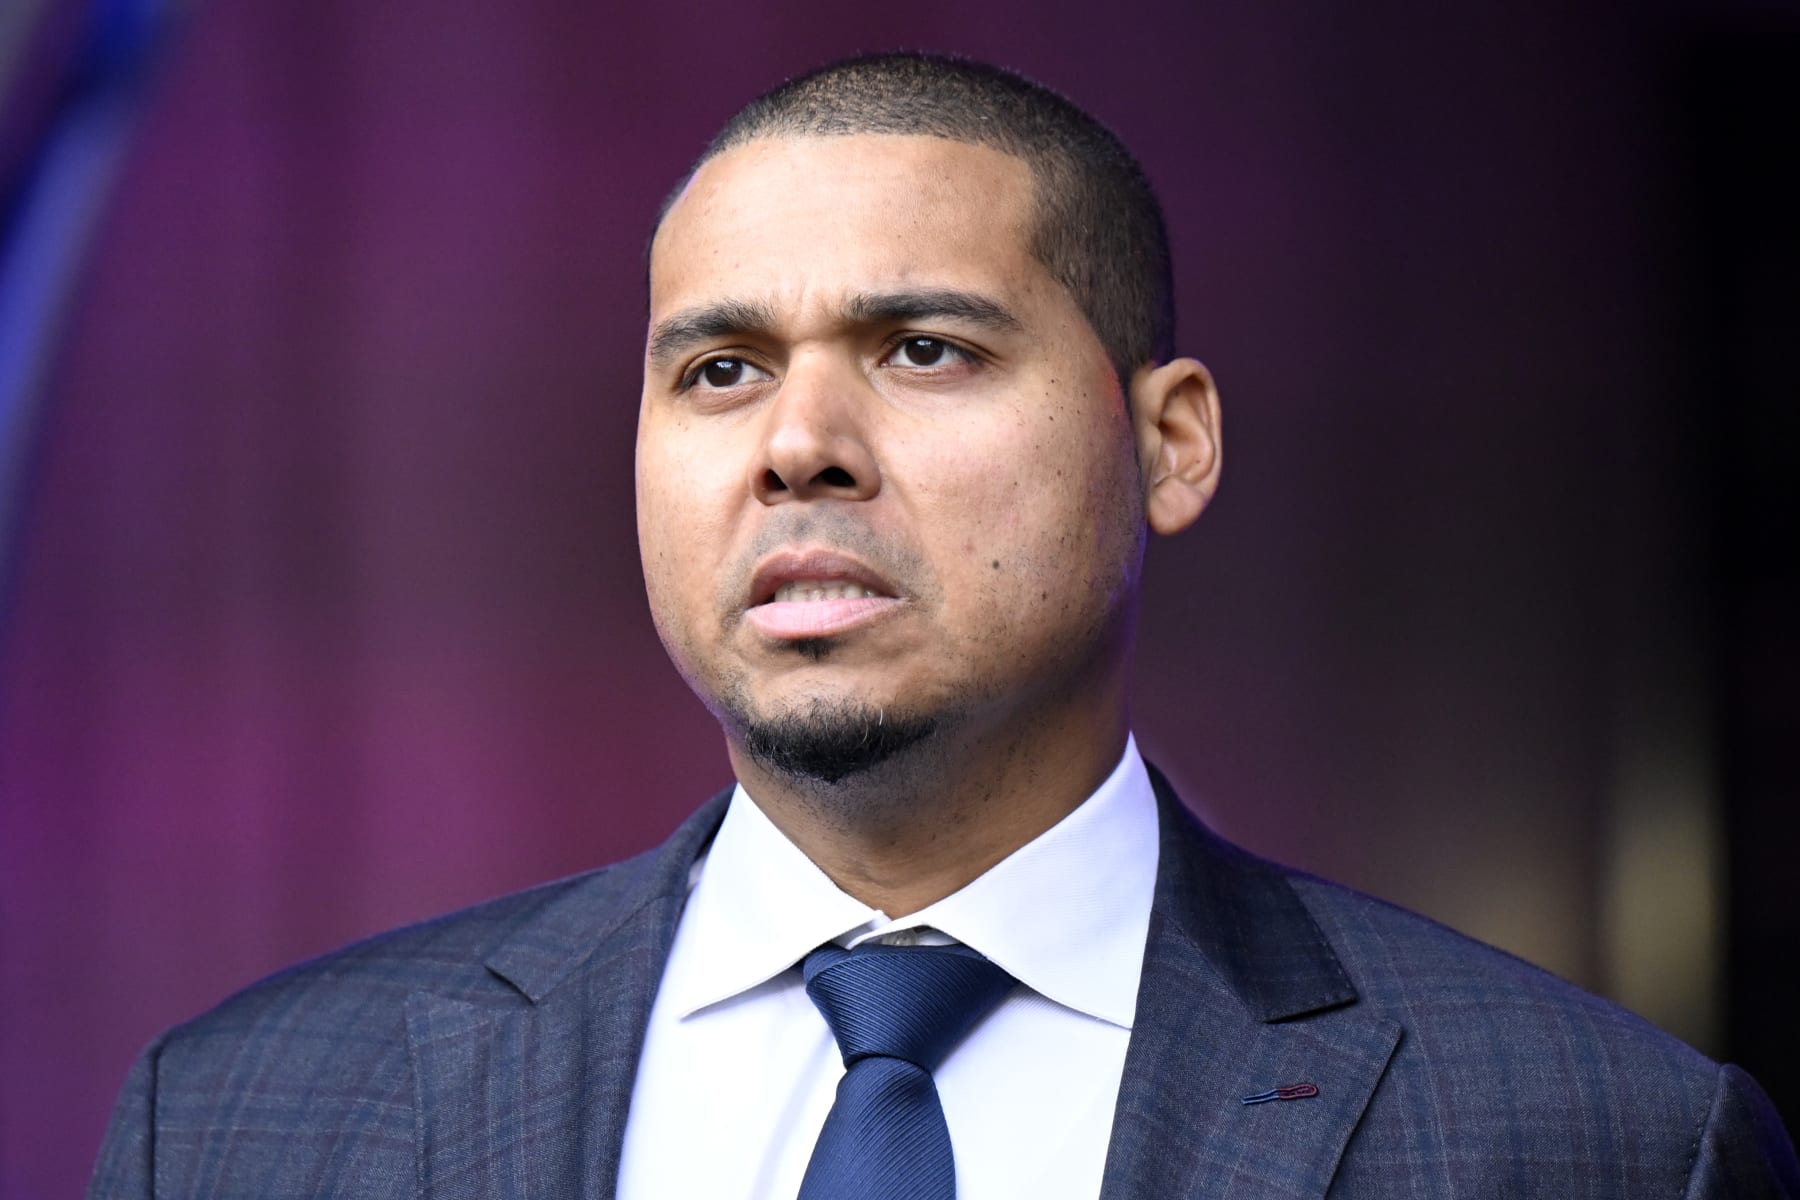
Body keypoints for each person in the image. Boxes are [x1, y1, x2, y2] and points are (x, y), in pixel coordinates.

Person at [89, 52, 1796, 1199]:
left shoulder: (1598, 1144)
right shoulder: (236, 1127)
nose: (798, 443)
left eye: (923, 349)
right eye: (719, 369)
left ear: (1170, 442)